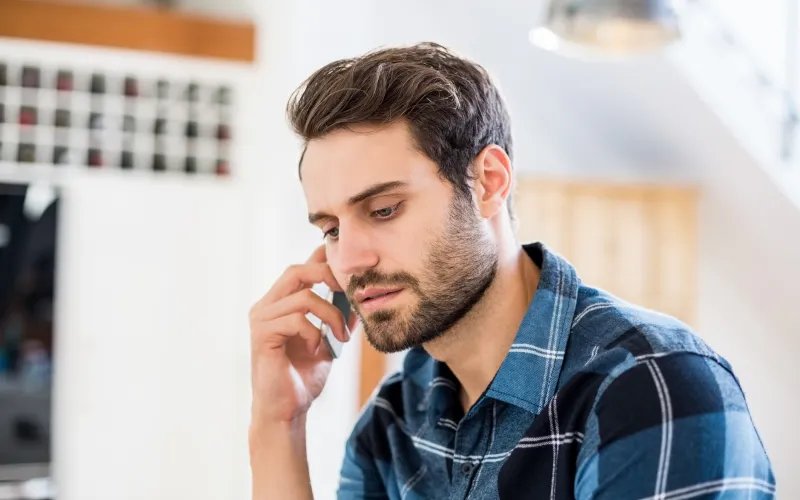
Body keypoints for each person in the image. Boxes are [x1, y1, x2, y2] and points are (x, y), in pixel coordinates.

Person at [248, 42, 775, 499]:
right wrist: (279, 424)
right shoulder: (395, 423)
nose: (348, 261)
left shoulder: (650, 385)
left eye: (383, 210)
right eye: (331, 229)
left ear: (490, 182)